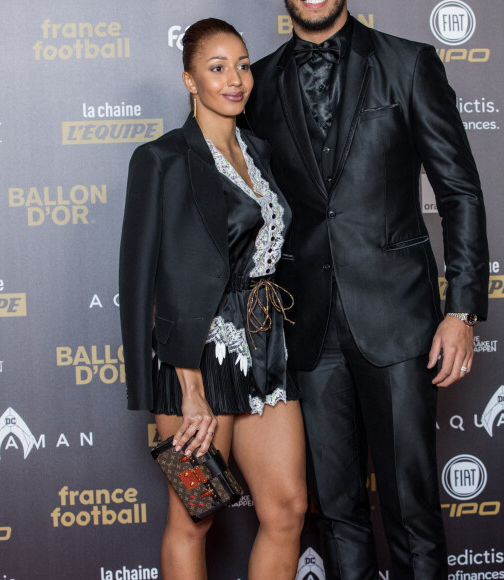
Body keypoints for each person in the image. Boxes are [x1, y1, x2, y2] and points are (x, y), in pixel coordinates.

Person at [245, 2, 489, 579]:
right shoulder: (259, 81)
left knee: (411, 508)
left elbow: (460, 192)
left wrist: (462, 309)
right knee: (336, 513)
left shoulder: (408, 63)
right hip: (307, 328)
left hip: (400, 321)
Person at [119, 18, 307, 580]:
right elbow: (143, 282)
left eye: (243, 65)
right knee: (195, 517)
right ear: (189, 81)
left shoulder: (261, 152)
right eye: (217, 68)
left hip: (265, 343)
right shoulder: (161, 159)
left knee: (287, 510)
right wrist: (187, 388)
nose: (235, 79)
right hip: (196, 357)